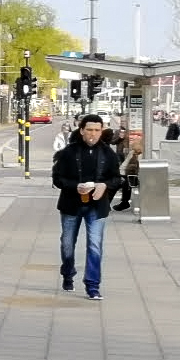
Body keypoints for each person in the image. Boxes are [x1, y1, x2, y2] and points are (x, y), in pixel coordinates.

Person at [51, 113, 125, 301]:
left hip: (97, 206)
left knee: (94, 245)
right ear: (82, 130)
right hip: (71, 204)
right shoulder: (69, 152)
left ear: (102, 132)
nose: (93, 134)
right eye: (89, 130)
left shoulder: (108, 154)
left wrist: (104, 186)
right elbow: (57, 179)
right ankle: (68, 272)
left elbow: (117, 178)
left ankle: (92, 285)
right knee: (67, 244)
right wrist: (74, 186)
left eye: (97, 130)